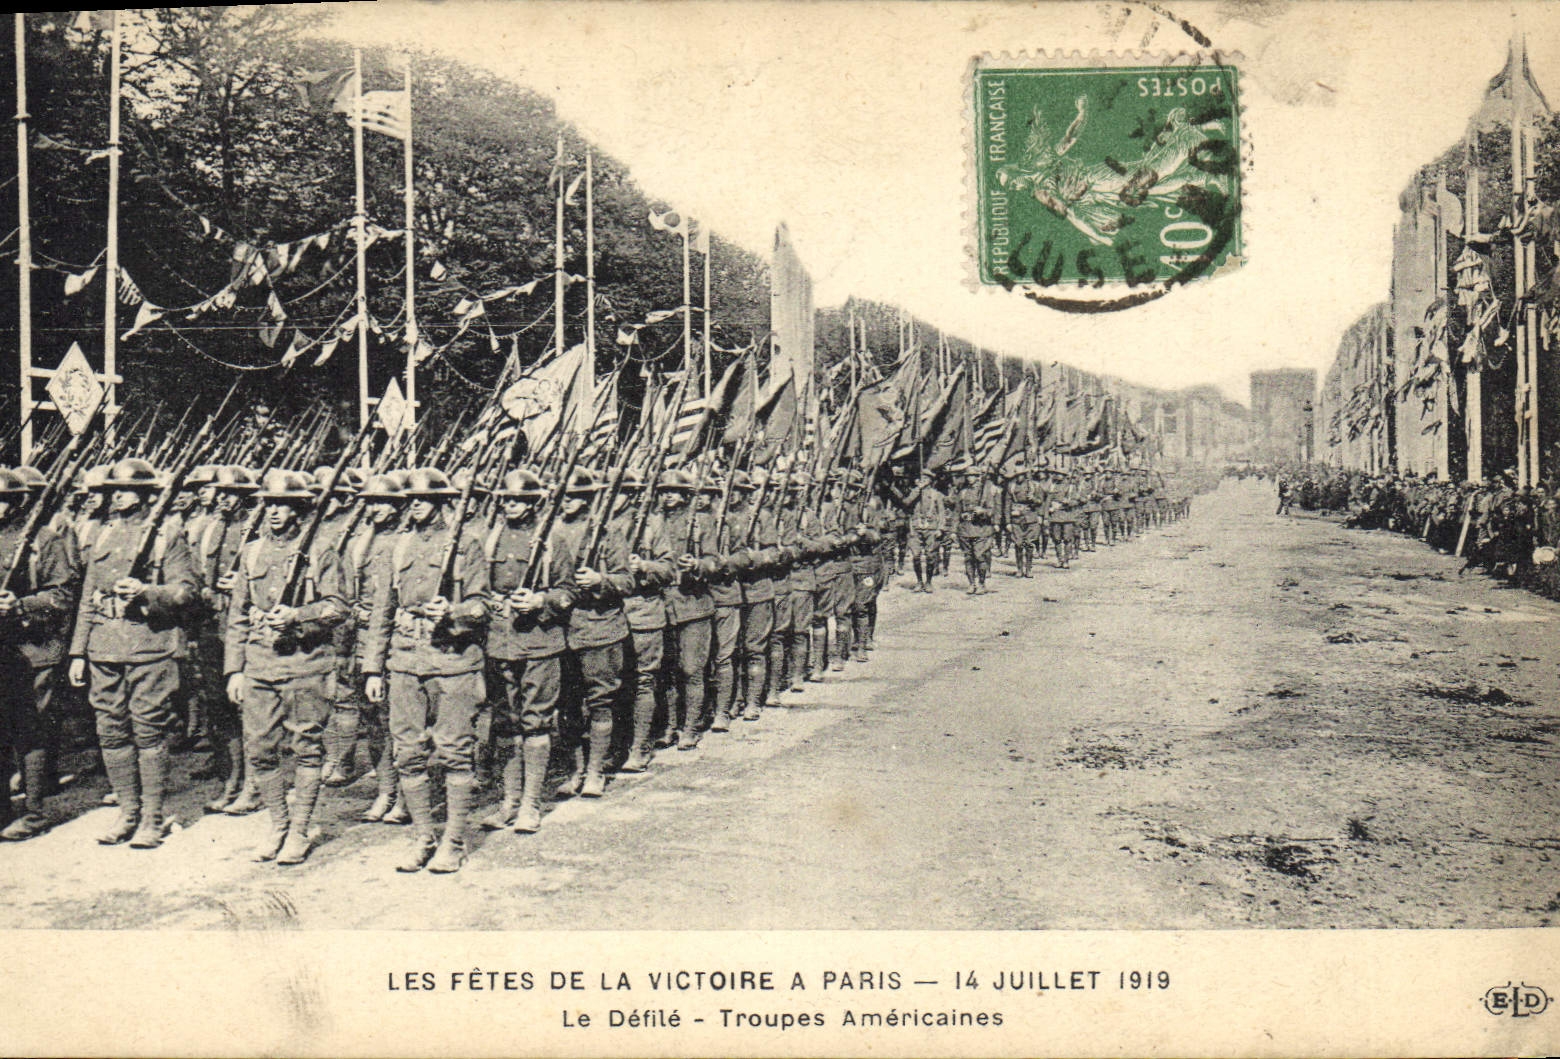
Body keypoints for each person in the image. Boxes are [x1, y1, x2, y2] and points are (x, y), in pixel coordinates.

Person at [361, 467, 490, 874]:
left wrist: (453, 611)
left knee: (455, 752)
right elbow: (382, 611)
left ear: (440, 502)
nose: (415, 505)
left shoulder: (466, 544)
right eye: (411, 500)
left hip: (452, 660)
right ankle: (423, 837)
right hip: (404, 660)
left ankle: (454, 841)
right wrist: (372, 669)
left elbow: (482, 604)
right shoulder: (397, 546)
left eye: (424, 499)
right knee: (408, 753)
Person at [68, 457, 199, 849]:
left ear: (144, 494)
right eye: (113, 491)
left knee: (148, 730)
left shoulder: (166, 535)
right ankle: (127, 812)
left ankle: (152, 818)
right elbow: (87, 598)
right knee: (110, 731)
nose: (117, 497)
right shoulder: (101, 534)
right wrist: (78, 652)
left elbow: (186, 592)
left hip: (150, 645)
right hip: (104, 647)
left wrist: (146, 592)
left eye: (125, 490)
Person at [223, 468, 350, 865]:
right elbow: (238, 615)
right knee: (260, 749)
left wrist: (298, 615)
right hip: (260, 665)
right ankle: (278, 824)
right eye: (269, 504)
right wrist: (235, 670)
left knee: (307, 748)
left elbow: (338, 607)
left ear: (298, 508)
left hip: (305, 663)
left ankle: (299, 830)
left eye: (283, 504)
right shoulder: (252, 552)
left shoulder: (321, 549)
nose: (274, 512)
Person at [481, 468, 570, 833]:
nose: (512, 505)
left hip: (538, 642)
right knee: (505, 723)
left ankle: (531, 804)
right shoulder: (490, 538)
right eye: (507, 499)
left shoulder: (551, 541)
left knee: (536, 721)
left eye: (520, 500)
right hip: (499, 641)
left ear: (534, 503)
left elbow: (567, 591)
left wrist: (539, 601)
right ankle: (509, 801)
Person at [0, 469, 81, 841]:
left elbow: (63, 594)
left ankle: (34, 812)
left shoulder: (43, 540)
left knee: (30, 731)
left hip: (35, 648)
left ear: (19, 501)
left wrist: (21, 604)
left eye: (3, 500)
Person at [551, 466, 634, 798]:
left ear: (587, 498)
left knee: (600, 701)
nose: (567, 501)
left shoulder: (606, 533)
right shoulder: (552, 532)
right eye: (564, 496)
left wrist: (601, 580)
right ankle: (576, 769)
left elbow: (626, 580)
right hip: (560, 627)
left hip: (599, 627)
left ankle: (596, 771)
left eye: (575, 496)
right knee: (567, 704)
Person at [612, 468, 674, 772]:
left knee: (643, 681)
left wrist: (644, 566)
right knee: (612, 685)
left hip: (643, 613)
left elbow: (669, 569)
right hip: (610, 615)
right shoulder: (600, 525)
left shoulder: (651, 524)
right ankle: (616, 745)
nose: (614, 498)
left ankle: (639, 746)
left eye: (622, 491)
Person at [656, 469, 718, 749]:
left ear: (685, 494)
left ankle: (690, 727)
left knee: (692, 669)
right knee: (667, 671)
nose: (668, 496)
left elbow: (714, 561)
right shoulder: (654, 521)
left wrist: (697, 565)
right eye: (664, 491)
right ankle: (670, 726)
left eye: (674, 491)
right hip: (663, 606)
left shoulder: (700, 522)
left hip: (693, 604)